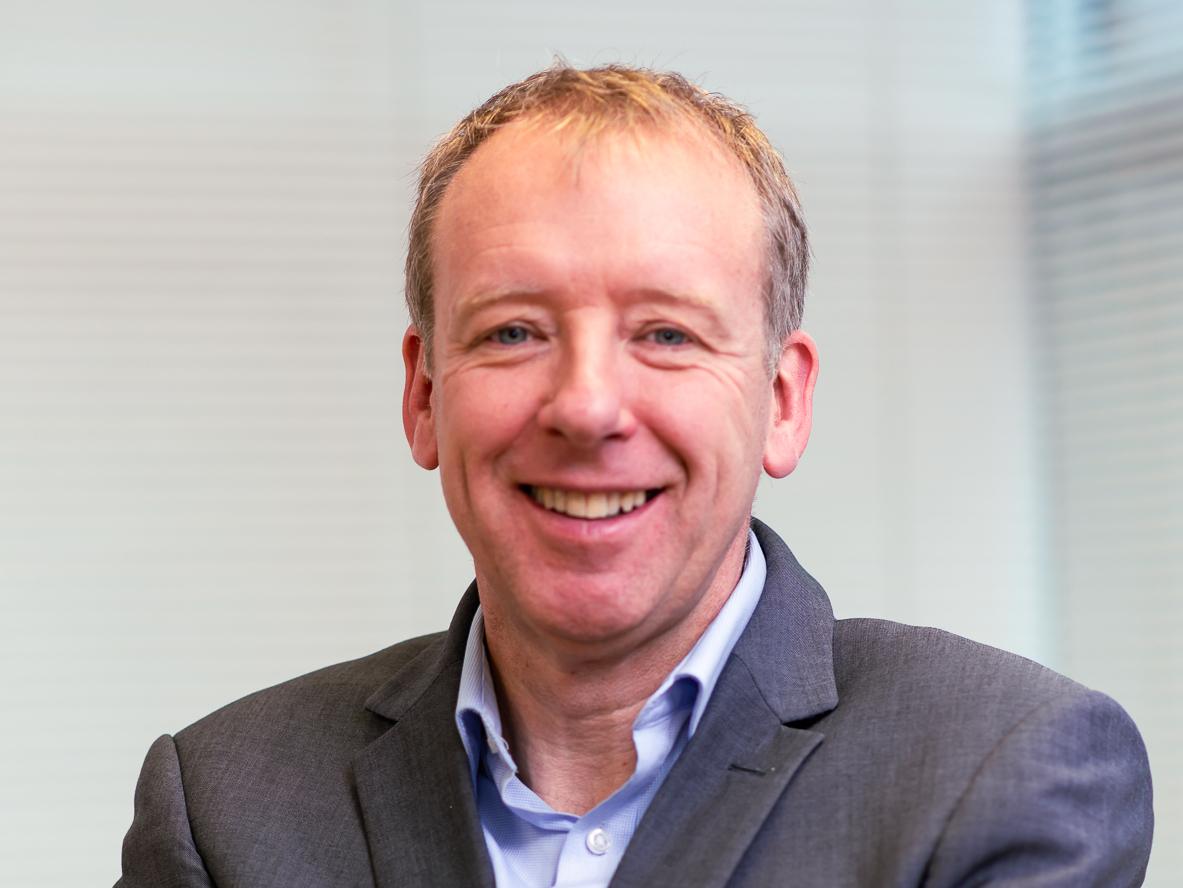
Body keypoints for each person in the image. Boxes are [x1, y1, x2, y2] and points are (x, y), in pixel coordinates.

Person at [116, 64, 1153, 888]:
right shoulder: (225, 807)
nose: (586, 406)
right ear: (425, 395)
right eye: (513, 331)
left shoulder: (997, 770)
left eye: (664, 333)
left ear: (781, 403)